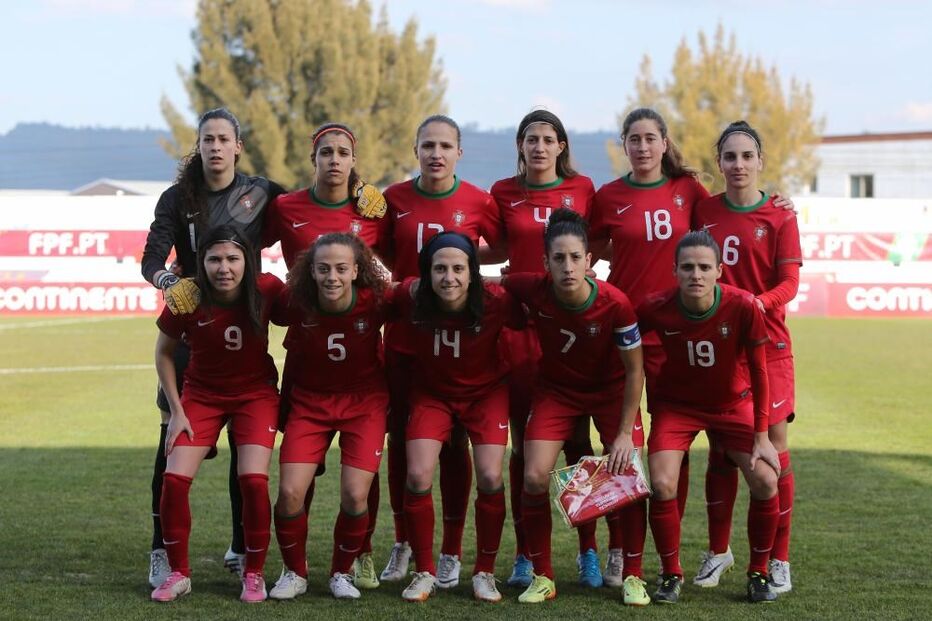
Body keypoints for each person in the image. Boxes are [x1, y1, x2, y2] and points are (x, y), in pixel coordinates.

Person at [588, 108, 794, 590]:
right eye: (633, 139)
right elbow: (584, 249)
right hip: (634, 330)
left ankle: (751, 560)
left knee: (705, 452)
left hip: (692, 338)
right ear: (624, 144)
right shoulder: (609, 196)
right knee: (622, 441)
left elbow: (737, 212)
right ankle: (622, 551)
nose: (641, 147)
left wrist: (780, 203)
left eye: (650, 138)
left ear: (664, 143)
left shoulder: (689, 192)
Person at [141, 107, 285, 587]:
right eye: (208, 139)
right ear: (198, 146)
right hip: (193, 329)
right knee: (173, 440)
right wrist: (168, 281)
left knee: (246, 447)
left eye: (225, 139)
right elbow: (151, 256)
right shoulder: (177, 197)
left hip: (243, 322)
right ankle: (162, 549)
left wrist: (355, 189)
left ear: (238, 146)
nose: (216, 146)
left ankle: (242, 546)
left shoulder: (262, 193)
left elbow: (310, 212)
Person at [262, 122, 389, 590]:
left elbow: (411, 275)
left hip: (361, 380)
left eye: (343, 153)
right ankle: (292, 569)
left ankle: (354, 563)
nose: (334, 160)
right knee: (294, 485)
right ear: (313, 158)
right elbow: (236, 246)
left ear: (354, 160)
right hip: (307, 368)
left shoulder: (374, 209)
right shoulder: (286, 207)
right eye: (326, 153)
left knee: (359, 487)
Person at [378, 115, 502, 589]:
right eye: (427, 145)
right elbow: (384, 249)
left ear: (459, 152)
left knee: (457, 447)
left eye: (445, 145)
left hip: (458, 336)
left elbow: (502, 246)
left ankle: (449, 550)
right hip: (408, 340)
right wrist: (413, 281)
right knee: (404, 446)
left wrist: (460, 263)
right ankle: (404, 540)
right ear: (416, 150)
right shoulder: (394, 198)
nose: (436, 153)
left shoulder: (477, 199)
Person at [500, 208, 645, 604]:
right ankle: (543, 576)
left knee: (629, 470)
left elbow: (635, 372)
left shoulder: (616, 305)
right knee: (533, 475)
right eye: (558, 259)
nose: (567, 266)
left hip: (611, 391)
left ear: (590, 261)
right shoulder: (533, 287)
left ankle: (632, 573)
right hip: (557, 392)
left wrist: (621, 436)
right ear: (545, 262)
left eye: (575, 258)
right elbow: (501, 283)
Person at [488, 110, 605, 589]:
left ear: (561, 146)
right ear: (520, 145)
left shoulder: (584, 190)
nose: (539, 147)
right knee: (524, 446)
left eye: (548, 139)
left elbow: (593, 247)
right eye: (530, 139)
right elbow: (492, 249)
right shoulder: (501, 192)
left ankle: (589, 551)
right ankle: (524, 553)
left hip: (570, 329)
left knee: (578, 444)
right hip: (521, 328)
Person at [637, 230, 781, 604]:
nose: (695, 275)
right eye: (687, 267)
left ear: (719, 270)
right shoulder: (656, 306)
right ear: (675, 271)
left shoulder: (743, 305)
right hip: (676, 407)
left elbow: (760, 371)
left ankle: (759, 573)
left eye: (704, 267)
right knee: (662, 483)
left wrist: (762, 435)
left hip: (732, 406)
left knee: (766, 480)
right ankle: (671, 574)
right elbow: (621, 337)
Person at [690, 121, 802, 593]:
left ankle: (779, 558)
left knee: (772, 447)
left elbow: (790, 284)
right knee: (720, 447)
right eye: (729, 157)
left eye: (746, 156)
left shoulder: (780, 215)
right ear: (719, 163)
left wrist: (758, 304)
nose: (738, 165)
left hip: (768, 346)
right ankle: (719, 552)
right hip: (720, 349)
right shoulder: (704, 209)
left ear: (760, 162)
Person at [150, 225, 285, 603]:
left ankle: (254, 572)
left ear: (247, 260)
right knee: (174, 479)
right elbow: (162, 352)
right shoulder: (187, 297)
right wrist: (176, 412)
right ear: (202, 263)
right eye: (214, 259)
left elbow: (307, 313)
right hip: (202, 395)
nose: (223, 267)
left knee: (254, 480)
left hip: (255, 396)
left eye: (232, 259)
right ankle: (178, 573)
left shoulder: (268, 289)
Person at [393, 231, 523, 603]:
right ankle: (424, 570)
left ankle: (484, 571)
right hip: (432, 394)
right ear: (426, 273)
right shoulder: (411, 296)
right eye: (439, 269)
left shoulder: (496, 300)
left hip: (485, 394)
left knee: (490, 474)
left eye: (458, 268)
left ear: (472, 273)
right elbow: (370, 296)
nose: (448, 277)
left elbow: (539, 303)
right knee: (417, 473)